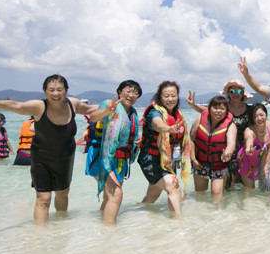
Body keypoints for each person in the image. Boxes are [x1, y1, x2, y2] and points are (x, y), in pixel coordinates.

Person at [0, 74, 116, 223]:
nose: (55, 93)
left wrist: (112, 107)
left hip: (65, 158)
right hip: (41, 158)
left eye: (59, 89)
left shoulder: (72, 104)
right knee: (43, 198)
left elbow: (90, 110)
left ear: (66, 90)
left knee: (63, 193)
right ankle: (41, 233)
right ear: (45, 91)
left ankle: (60, 228)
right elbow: (15, 105)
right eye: (51, 90)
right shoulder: (39, 107)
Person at [84, 80, 142, 224]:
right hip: (101, 156)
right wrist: (105, 112)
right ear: (119, 92)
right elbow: (93, 117)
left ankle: (100, 225)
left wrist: (136, 142)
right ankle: (110, 231)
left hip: (120, 160)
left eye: (135, 93)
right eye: (128, 91)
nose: (131, 95)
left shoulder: (133, 113)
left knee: (109, 197)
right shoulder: (109, 104)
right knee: (116, 194)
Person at [138, 81, 191, 218]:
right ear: (160, 97)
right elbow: (157, 124)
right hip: (152, 160)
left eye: (173, 96)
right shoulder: (154, 112)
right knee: (174, 186)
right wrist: (168, 128)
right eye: (166, 96)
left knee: (151, 198)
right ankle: (178, 220)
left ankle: (136, 215)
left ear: (178, 96)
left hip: (167, 161)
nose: (170, 99)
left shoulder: (178, 114)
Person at [188, 80, 252, 189]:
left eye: (238, 91)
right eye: (232, 91)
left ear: (243, 93)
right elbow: (206, 111)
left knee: (243, 185)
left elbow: (256, 122)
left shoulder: (249, 109)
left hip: (241, 151)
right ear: (228, 93)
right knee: (228, 187)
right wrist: (193, 105)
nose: (235, 94)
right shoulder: (222, 106)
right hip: (223, 151)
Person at [190, 95, 237, 203]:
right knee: (200, 193)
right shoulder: (200, 120)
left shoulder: (230, 126)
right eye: (215, 108)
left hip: (219, 165)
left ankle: (216, 213)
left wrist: (228, 152)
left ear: (226, 111)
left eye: (222, 109)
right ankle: (201, 213)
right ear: (209, 108)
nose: (218, 111)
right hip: (200, 162)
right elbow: (191, 139)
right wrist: (193, 159)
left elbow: (231, 143)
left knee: (216, 193)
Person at [237, 103, 270, 192]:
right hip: (246, 161)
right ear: (252, 119)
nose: (259, 118)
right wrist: (249, 148)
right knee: (250, 189)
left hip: (260, 161)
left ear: (266, 114)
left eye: (261, 115)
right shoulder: (250, 130)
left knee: (266, 189)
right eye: (255, 116)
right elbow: (249, 138)